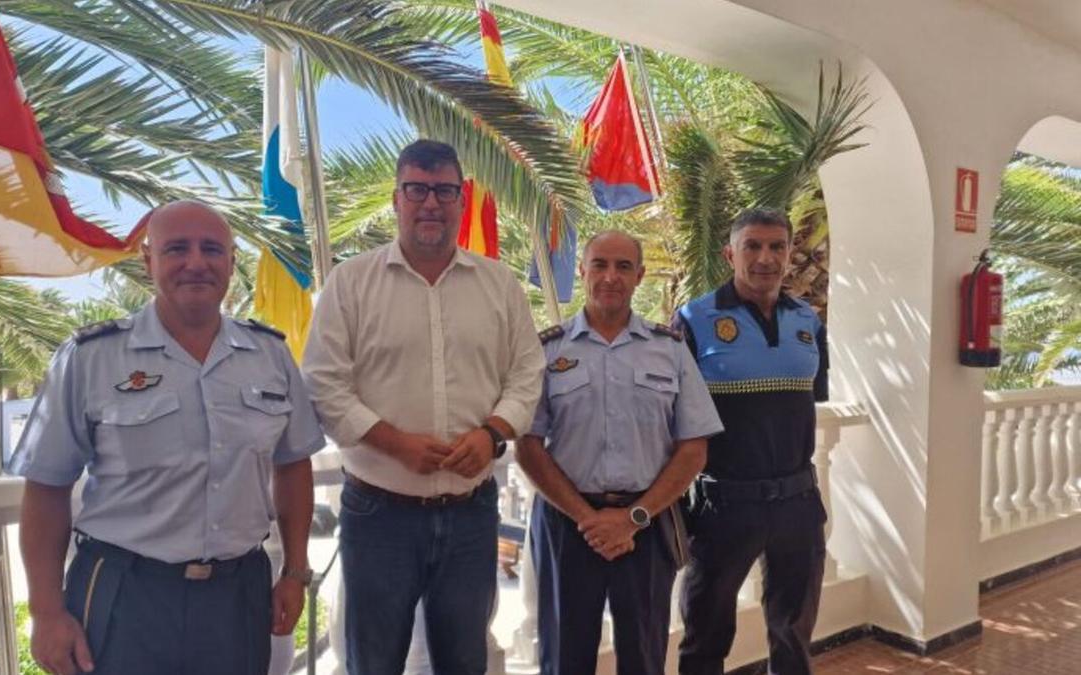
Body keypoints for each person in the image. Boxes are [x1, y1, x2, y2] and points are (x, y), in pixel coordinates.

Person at [12, 201, 325, 675]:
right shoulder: (91, 358)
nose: (196, 262)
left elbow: (294, 463)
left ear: (231, 263)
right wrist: (46, 611)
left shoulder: (270, 355)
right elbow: (47, 486)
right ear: (148, 260)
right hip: (124, 593)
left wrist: (296, 571)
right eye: (177, 248)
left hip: (238, 592)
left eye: (212, 249)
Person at [302, 139, 544, 675]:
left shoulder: (499, 285)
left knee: (465, 661)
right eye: (417, 189)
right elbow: (323, 383)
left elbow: (528, 374)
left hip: (471, 513)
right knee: (374, 661)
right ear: (396, 198)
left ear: (461, 200)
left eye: (443, 191)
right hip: (379, 514)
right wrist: (396, 444)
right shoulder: (351, 283)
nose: (430, 203)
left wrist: (491, 435)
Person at [516, 231, 723, 675]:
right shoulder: (548, 349)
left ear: (639, 275)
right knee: (563, 656)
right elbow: (528, 446)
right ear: (582, 271)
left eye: (623, 266)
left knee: (644, 656)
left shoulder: (669, 348)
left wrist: (632, 518)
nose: (611, 276)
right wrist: (587, 518)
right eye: (600, 264)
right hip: (566, 525)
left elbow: (693, 448)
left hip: (646, 524)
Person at [672, 208, 830, 675]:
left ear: (789, 253)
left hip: (798, 502)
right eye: (753, 246)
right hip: (724, 505)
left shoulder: (809, 322)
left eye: (777, 247)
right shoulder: (694, 319)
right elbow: (673, 415)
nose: (766, 258)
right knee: (704, 637)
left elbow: (809, 399)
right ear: (730, 254)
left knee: (793, 636)